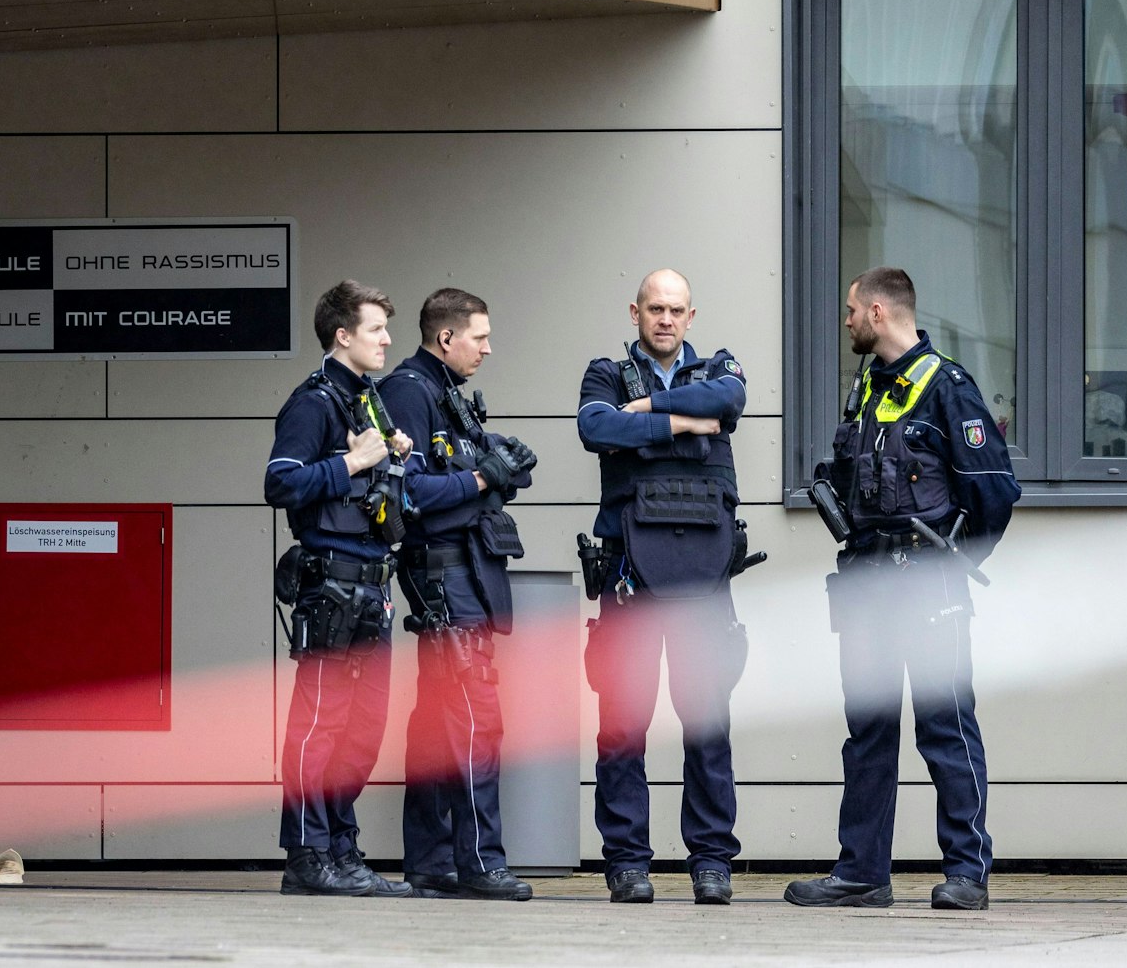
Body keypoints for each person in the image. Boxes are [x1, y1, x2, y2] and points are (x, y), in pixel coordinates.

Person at [786, 267, 1019, 912]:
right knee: (868, 729)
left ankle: (967, 872)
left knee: (944, 724)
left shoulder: (947, 387)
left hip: (928, 585)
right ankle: (863, 873)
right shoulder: (865, 388)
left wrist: (950, 564)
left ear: (880, 311)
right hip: (866, 584)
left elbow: (993, 492)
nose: (847, 320)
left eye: (853, 310)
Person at [575, 268, 753, 905]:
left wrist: (651, 411)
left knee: (706, 719)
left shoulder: (718, 367)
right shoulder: (605, 374)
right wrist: (684, 426)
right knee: (623, 721)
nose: (666, 320)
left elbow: (728, 402)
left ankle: (711, 860)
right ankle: (626, 861)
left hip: (704, 574)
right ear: (635, 312)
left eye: (677, 310)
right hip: (629, 573)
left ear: (691, 315)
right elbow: (597, 427)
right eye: (655, 308)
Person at [379, 288, 538, 901]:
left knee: (440, 728)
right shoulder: (410, 392)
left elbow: (463, 479)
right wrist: (481, 476)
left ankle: (431, 861)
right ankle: (480, 863)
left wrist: (501, 466)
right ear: (447, 337)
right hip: (443, 576)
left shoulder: (443, 393)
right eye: (480, 336)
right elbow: (410, 494)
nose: (488, 348)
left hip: (463, 572)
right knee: (476, 720)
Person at [264, 279, 415, 897]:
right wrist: (352, 463)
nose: (386, 339)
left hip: (373, 585)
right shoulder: (314, 402)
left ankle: (341, 848)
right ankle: (306, 855)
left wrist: (394, 454)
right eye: (376, 328)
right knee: (319, 722)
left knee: (363, 729)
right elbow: (280, 483)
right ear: (342, 334)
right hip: (329, 584)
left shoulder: (368, 400)